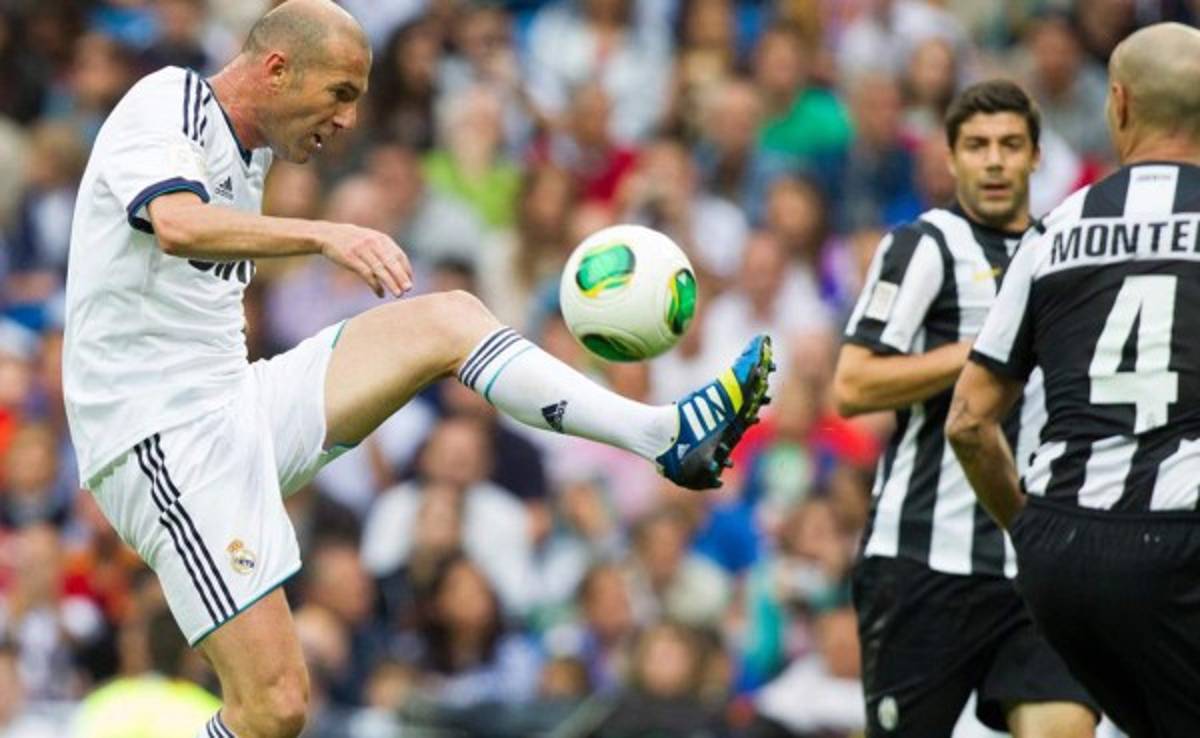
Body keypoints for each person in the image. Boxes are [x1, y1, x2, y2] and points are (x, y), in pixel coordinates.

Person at [59, 2, 774, 737]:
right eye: (339, 94)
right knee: (273, 708)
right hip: (163, 440)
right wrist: (324, 234)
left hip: (235, 403)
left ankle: (662, 435)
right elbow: (176, 222)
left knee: (449, 320)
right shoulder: (170, 100)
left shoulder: (251, 154)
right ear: (275, 68)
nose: (347, 120)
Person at [947, 23, 1200, 738]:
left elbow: (968, 420)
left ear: (1117, 104)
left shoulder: (1055, 230)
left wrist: (1029, 531)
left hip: (1062, 555)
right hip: (1182, 543)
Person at [832, 80, 1097, 737]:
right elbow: (854, 384)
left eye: (1011, 144)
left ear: (1037, 156)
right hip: (924, 560)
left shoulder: (1063, 252)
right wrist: (987, 350)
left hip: (1034, 562)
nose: (995, 161)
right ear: (950, 159)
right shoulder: (925, 244)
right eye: (977, 146)